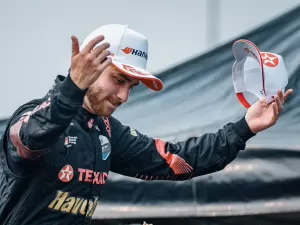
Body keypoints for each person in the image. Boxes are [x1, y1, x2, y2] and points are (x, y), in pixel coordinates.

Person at [0, 24, 292, 225]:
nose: (125, 96)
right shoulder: (34, 117)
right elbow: (32, 137)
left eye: (132, 86)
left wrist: (245, 127)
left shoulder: (107, 131)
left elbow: (179, 161)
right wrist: (73, 89)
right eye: (118, 80)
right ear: (85, 67)